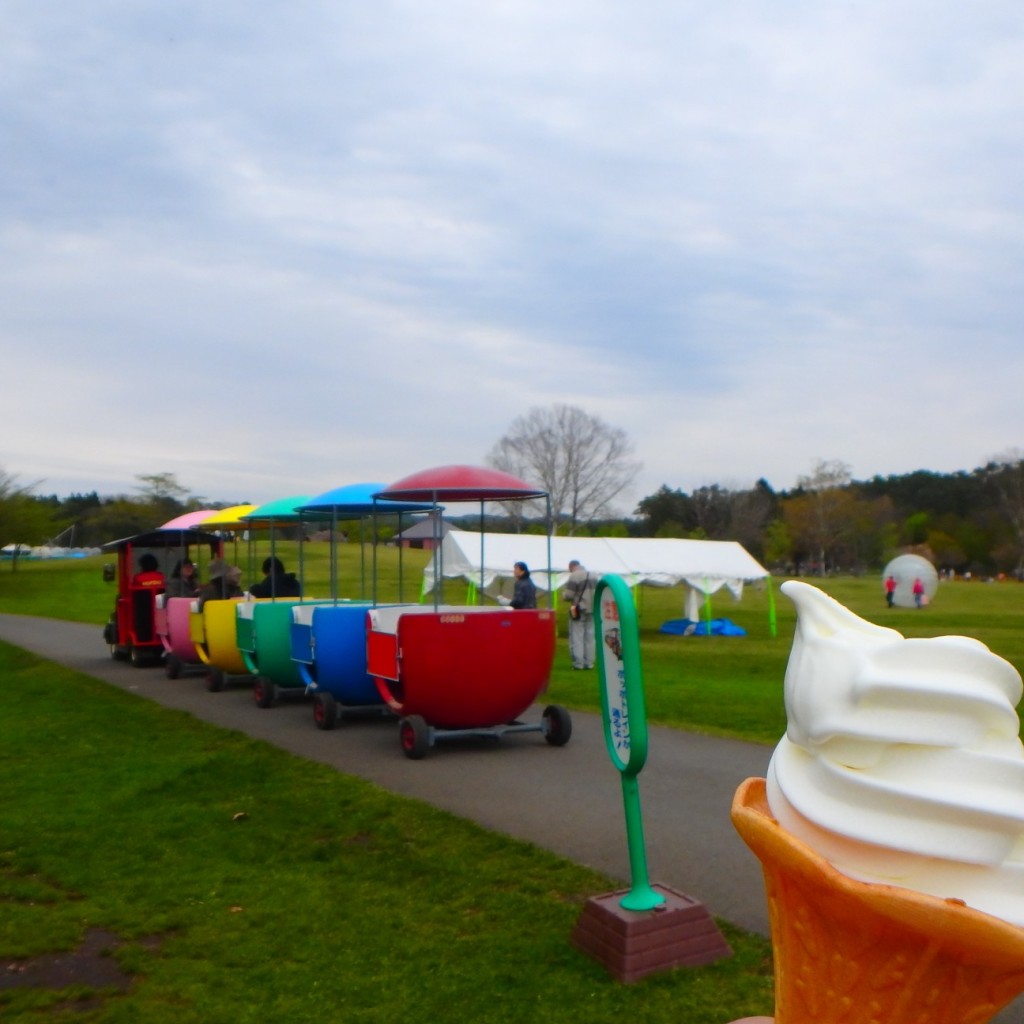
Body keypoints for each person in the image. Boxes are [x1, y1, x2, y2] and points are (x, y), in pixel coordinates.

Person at [563, 559, 596, 669]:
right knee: (590, 637)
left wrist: (563, 595)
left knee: (577, 636)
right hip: (592, 609)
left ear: (571, 566)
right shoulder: (593, 575)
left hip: (579, 609)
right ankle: (589, 663)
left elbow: (569, 595)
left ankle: (578, 663)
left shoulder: (574, 576)